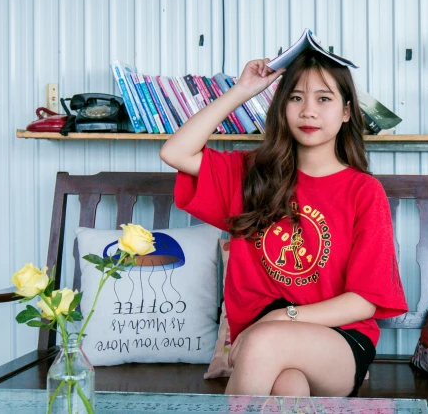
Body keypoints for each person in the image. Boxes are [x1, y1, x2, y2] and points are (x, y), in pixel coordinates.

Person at [159, 51, 408, 398]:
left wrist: (283, 318)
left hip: (338, 339)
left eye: (324, 98)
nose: (308, 111)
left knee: (266, 343)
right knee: (288, 389)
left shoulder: (363, 191)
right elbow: (175, 152)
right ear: (282, 107)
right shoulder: (251, 175)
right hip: (263, 339)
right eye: (296, 98)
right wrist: (243, 90)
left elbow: (363, 302)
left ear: (347, 111)